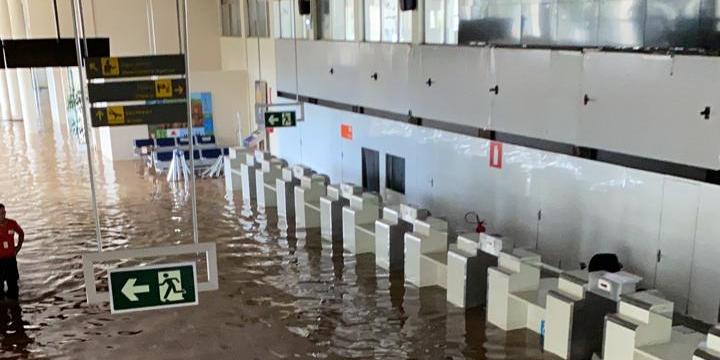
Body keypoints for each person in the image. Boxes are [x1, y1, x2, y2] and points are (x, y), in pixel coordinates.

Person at [0, 204, 23, 301]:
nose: (3, 215)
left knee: (13, 287)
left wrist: (18, 248)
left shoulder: (12, 223)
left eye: (4, 212)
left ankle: (15, 307)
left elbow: (21, 234)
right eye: (0, 213)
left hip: (11, 259)